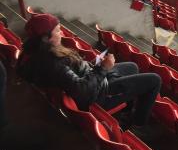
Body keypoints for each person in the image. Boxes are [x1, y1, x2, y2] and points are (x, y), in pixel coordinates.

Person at [17, 14, 161, 132]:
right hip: (98, 94)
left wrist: (94, 65)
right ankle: (139, 125)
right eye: (58, 30)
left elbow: (72, 74)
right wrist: (103, 68)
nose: (61, 33)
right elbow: (82, 91)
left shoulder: (35, 53)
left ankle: (126, 111)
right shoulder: (54, 63)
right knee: (155, 80)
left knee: (132, 66)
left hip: (93, 78)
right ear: (46, 38)